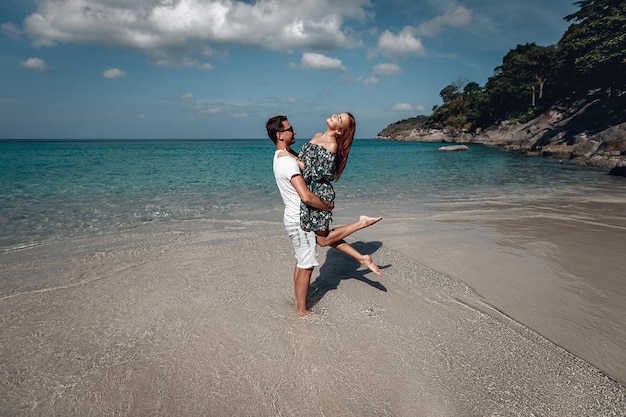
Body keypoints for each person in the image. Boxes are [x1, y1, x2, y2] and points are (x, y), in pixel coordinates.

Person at [267, 115, 382, 316]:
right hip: (307, 204)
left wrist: (324, 204)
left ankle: (301, 307)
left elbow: (319, 174)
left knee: (314, 250)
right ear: (280, 135)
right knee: (318, 246)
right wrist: (291, 156)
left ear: (339, 131)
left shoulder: (330, 144)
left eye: (341, 119)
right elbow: (305, 168)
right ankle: (361, 239)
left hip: (316, 198)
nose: (295, 132)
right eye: (290, 129)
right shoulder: (309, 142)